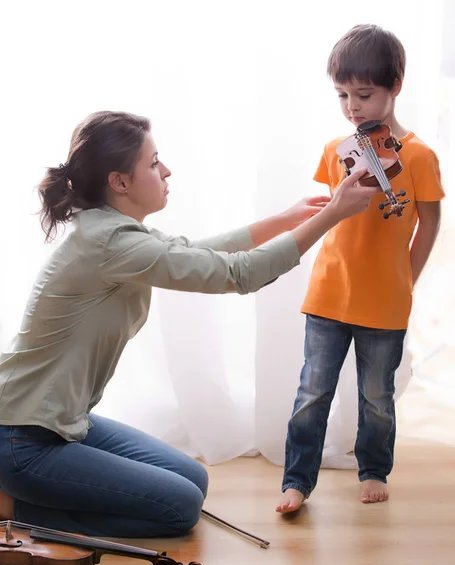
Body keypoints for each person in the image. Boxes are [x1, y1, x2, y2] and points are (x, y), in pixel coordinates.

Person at [0, 110, 374, 538]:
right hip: (23, 439)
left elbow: (197, 252)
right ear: (120, 182)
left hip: (60, 423)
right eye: (154, 162)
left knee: (193, 480)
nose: (166, 170)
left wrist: (286, 219)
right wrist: (330, 217)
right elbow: (239, 275)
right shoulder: (110, 243)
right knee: (179, 508)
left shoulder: (115, 231)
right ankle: (15, 505)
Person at [277, 24, 445, 513]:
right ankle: (296, 480)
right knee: (312, 392)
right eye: (343, 95)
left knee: (377, 395)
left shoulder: (418, 156)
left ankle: (373, 469)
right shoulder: (337, 151)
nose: (353, 107)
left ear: (395, 86)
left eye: (365, 95)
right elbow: (332, 212)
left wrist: (407, 280)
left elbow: (429, 224)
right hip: (329, 291)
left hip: (386, 298)